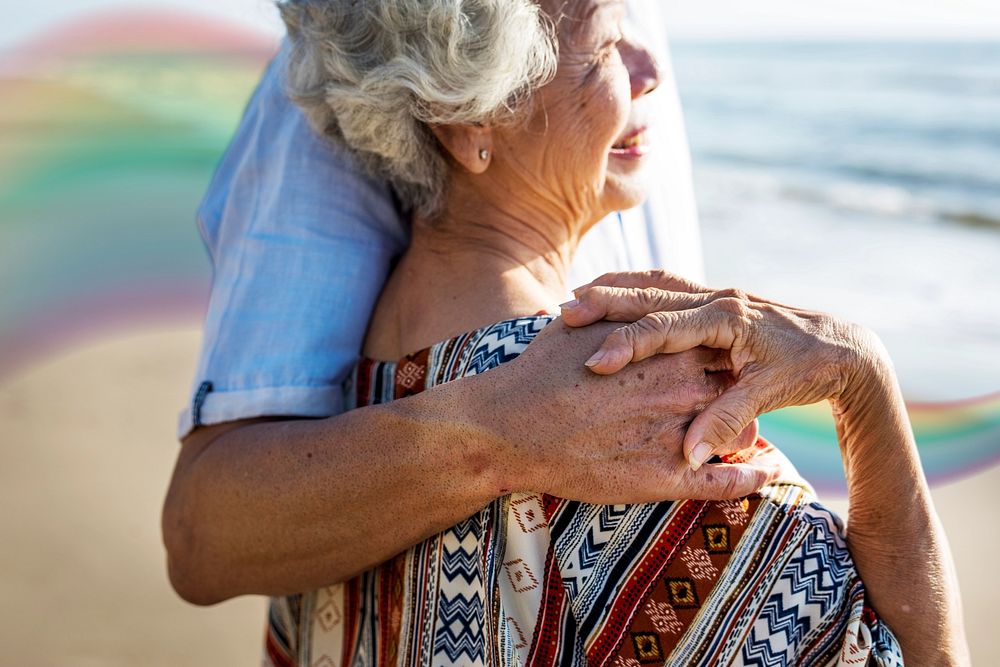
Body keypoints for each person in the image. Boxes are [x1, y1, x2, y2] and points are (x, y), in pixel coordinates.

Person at [162, 0, 968, 664]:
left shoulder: (355, 402)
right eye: (612, 45)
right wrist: (861, 377)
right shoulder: (633, 427)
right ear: (466, 120)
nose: (653, 74)